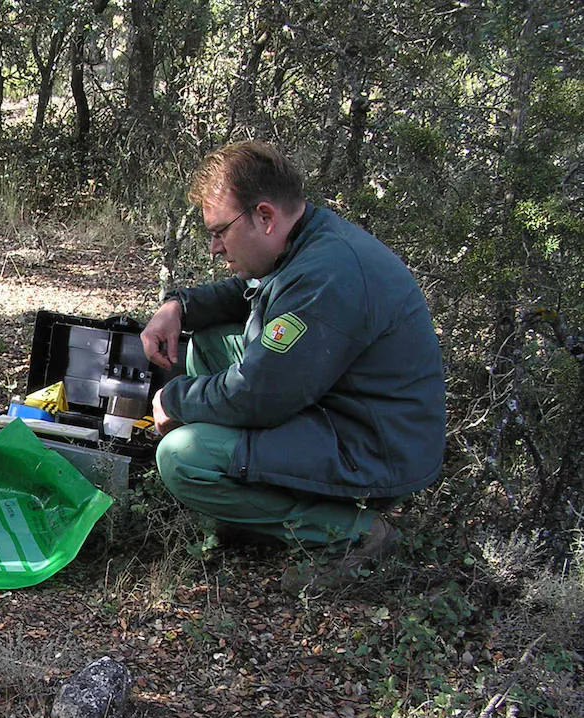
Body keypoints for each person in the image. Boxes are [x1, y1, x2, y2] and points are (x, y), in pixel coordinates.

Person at [139, 141, 445, 584]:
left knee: (183, 458)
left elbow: (256, 395)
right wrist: (180, 306)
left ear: (264, 216)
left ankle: (351, 531)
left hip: (370, 444)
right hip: (340, 405)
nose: (214, 248)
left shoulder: (327, 275)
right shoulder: (306, 240)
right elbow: (250, 293)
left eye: (220, 231)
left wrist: (175, 397)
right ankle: (245, 495)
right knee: (207, 343)